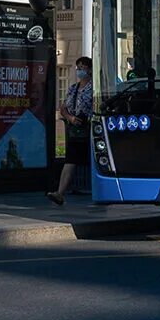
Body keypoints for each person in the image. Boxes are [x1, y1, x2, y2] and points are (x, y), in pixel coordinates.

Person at [46, 56, 94, 207]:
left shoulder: (95, 87)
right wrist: (70, 118)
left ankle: (100, 191)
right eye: (78, 67)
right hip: (75, 130)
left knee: (94, 161)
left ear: (90, 70)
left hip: (92, 129)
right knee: (70, 161)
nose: (79, 71)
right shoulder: (73, 88)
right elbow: (63, 107)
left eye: (83, 68)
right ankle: (59, 193)